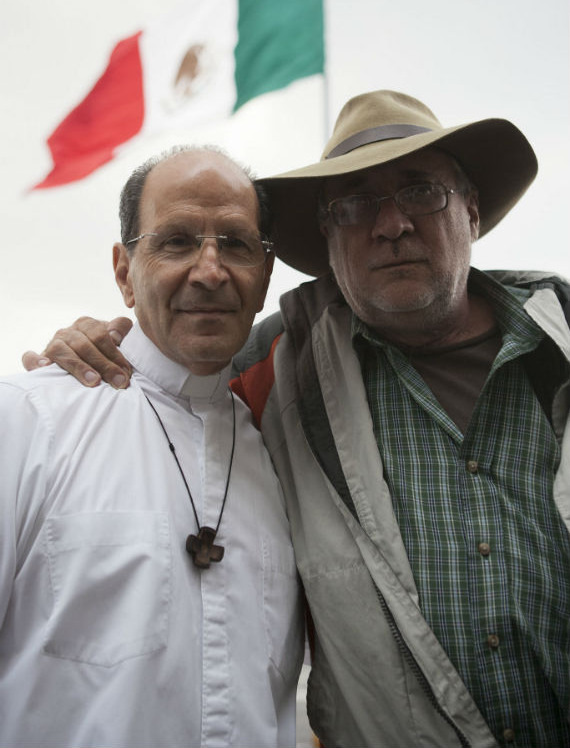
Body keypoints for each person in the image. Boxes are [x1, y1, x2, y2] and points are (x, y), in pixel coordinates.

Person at [24, 91, 570, 748]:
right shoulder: (275, 367)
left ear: (473, 210)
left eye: (421, 190)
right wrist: (91, 349)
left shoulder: (559, 339)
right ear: (330, 239)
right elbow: (175, 367)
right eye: (356, 204)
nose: (391, 223)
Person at [1, 146, 303, 748]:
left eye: (237, 244)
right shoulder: (28, 420)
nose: (210, 270)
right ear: (123, 271)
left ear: (266, 277)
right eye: (177, 241)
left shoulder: (283, 455)